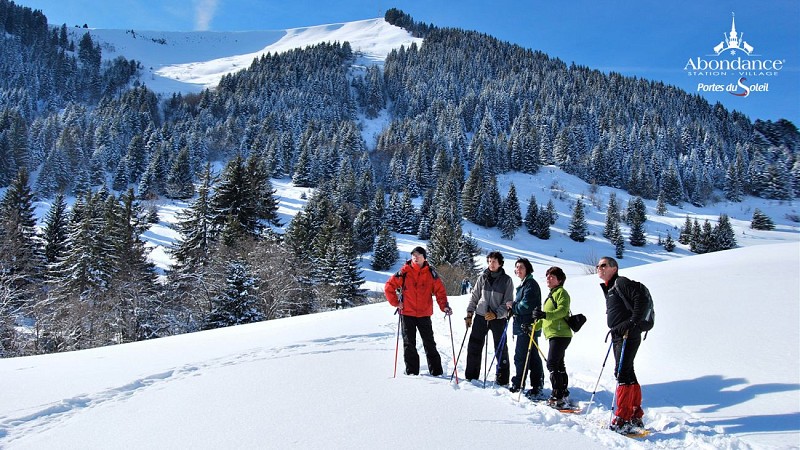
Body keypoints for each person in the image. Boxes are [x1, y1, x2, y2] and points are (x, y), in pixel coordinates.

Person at [384, 246, 452, 376]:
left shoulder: (431, 274)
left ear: (424, 258)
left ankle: (437, 372)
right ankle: (411, 372)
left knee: (429, 343)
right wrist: (396, 303)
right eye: (413, 255)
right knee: (409, 344)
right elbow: (389, 287)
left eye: (418, 255)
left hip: (424, 314)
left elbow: (440, 292)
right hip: (407, 313)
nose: (415, 257)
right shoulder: (404, 272)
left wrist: (444, 306)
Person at [597, 256, 645, 433]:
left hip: (627, 334)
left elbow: (639, 298)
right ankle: (634, 414)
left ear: (614, 268)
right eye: (598, 266)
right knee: (627, 371)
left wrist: (632, 322)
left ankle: (623, 418)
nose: (599, 268)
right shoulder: (611, 287)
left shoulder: (621, 282)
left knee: (622, 372)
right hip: (620, 334)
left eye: (603, 265)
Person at [464, 251, 514, 385]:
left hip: (498, 319)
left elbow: (508, 302)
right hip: (481, 316)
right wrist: (469, 314)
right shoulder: (483, 277)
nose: (491, 264)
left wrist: (497, 314)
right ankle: (471, 376)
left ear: (500, 263)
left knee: (501, 348)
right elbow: (474, 296)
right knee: (474, 346)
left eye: (494, 261)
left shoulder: (506, 280)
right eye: (490, 261)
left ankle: (503, 379)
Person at [532, 266, 572, 408]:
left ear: (559, 280)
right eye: (547, 276)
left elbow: (562, 311)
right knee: (559, 364)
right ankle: (562, 392)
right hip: (554, 333)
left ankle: (557, 396)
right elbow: (546, 318)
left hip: (561, 333)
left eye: (552, 277)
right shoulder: (551, 295)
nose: (548, 279)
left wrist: (545, 314)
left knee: (552, 364)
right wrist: (533, 327)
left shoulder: (561, 293)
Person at [506, 257, 544, 399]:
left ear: (527, 269)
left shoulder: (530, 285)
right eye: (516, 267)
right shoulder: (524, 285)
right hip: (525, 326)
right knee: (532, 356)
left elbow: (525, 306)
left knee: (522, 356)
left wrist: (513, 306)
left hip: (527, 326)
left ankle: (519, 383)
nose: (518, 270)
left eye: (521, 267)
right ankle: (536, 384)